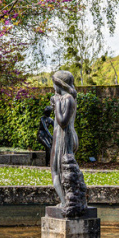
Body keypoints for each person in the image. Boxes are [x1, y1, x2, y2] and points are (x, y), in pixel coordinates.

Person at [50, 71, 78, 206]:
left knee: (57, 171)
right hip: (60, 136)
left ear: (58, 84)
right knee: (58, 171)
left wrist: (56, 104)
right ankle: (65, 201)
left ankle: (65, 202)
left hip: (64, 137)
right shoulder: (66, 98)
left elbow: (62, 122)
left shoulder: (67, 99)